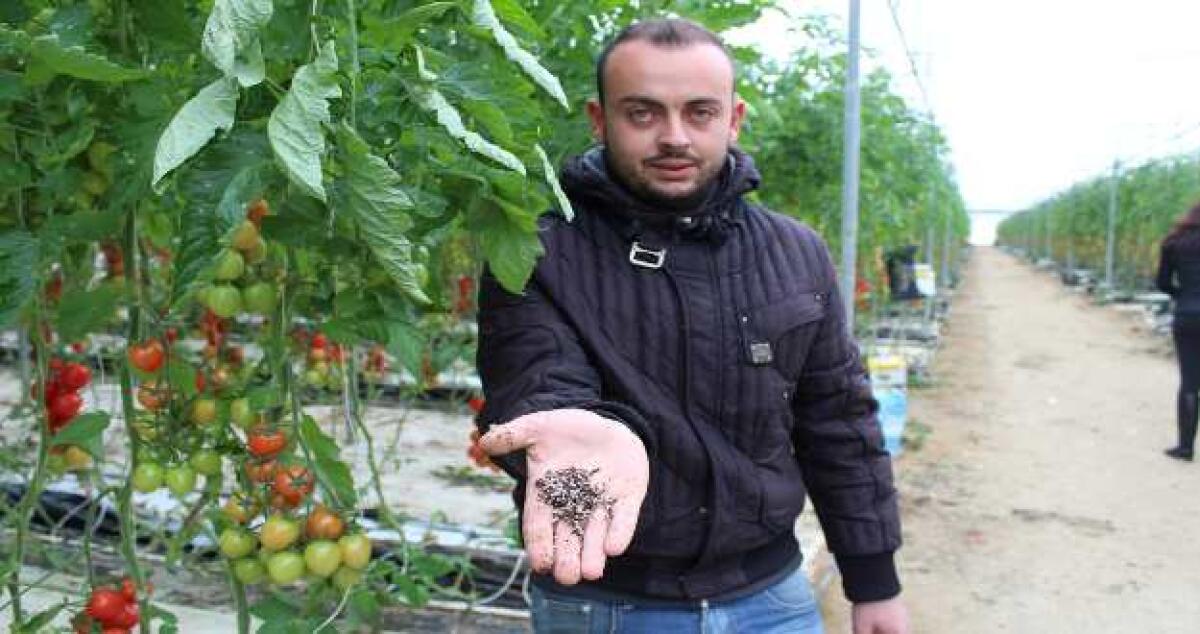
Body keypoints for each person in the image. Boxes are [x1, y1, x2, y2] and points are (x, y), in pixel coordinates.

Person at [474, 18, 908, 633]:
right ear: (600, 121)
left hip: (772, 602)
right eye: (643, 114)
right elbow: (536, 373)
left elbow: (837, 419)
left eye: (700, 113)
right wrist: (580, 426)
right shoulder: (537, 251)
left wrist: (874, 581)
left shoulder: (796, 253)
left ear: (734, 120)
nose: (674, 137)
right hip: (607, 606)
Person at [1155, 200, 1200, 461]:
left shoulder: (1174, 242)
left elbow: (1162, 282)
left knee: (1190, 383)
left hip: (1187, 315)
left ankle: (1185, 448)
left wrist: (1181, 295)